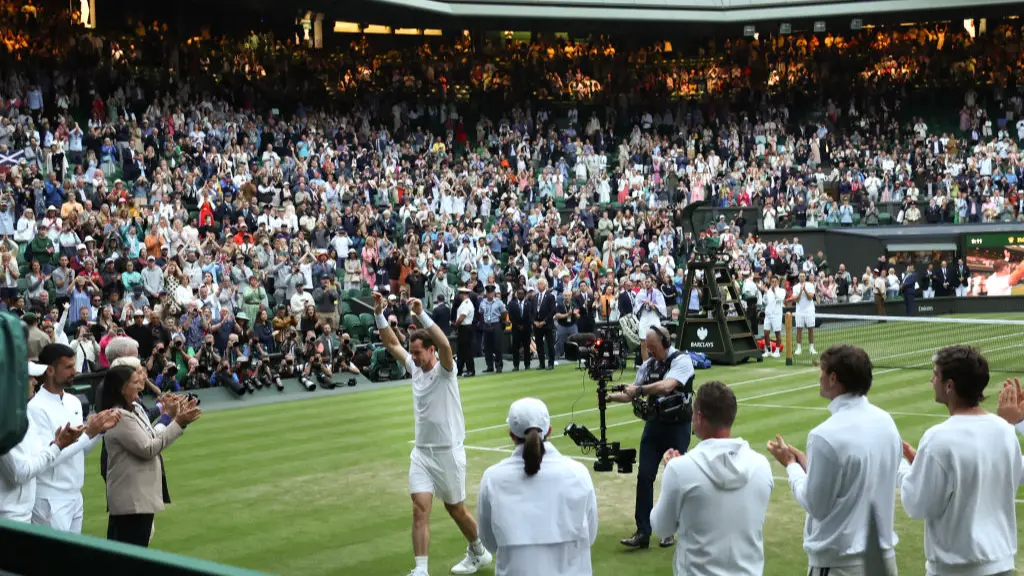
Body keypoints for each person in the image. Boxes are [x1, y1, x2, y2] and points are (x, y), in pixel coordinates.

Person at [371, 292, 492, 576]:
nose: (413, 357)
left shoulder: (446, 370)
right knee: (419, 508)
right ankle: (421, 569)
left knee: (455, 509)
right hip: (422, 454)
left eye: (417, 353)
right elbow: (391, 343)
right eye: (411, 353)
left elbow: (446, 344)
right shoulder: (414, 368)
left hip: (449, 453)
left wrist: (421, 314)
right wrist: (378, 313)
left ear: (431, 350)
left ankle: (479, 551)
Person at [767, 344, 901, 576]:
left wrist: (791, 465)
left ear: (833, 378)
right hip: (884, 561)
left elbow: (815, 505)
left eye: (822, 371)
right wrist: (808, 464)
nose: (819, 377)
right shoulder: (886, 422)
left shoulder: (824, 435)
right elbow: (855, 476)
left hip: (841, 565)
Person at [898, 346, 1021, 576]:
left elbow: (915, 504)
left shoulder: (938, 438)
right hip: (1001, 566)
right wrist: (923, 468)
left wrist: (900, 467)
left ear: (949, 385)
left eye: (935, 374)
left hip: (955, 569)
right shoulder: (1005, 430)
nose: (932, 380)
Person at [652, 381, 773, 575]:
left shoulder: (679, 469)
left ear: (699, 417)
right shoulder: (761, 465)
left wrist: (669, 473)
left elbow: (662, 528)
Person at [476, 398, 598, 575]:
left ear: (511, 435)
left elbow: (489, 543)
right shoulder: (579, 473)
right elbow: (590, 535)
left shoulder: (492, 478)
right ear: (549, 431)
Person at [605, 325, 695, 549]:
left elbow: (667, 386)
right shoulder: (648, 365)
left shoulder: (681, 361)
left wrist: (640, 390)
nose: (650, 351)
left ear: (665, 343)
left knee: (674, 479)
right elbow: (632, 392)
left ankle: (669, 530)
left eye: (653, 347)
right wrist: (609, 396)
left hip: (677, 427)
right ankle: (642, 532)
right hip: (654, 426)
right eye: (647, 347)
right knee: (644, 476)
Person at [99, 366, 201, 546]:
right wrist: (178, 422)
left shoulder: (136, 409)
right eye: (135, 381)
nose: (141, 384)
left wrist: (172, 417)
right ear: (122, 388)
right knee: (128, 555)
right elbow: (148, 448)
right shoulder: (119, 416)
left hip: (139, 498)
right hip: (130, 501)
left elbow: (152, 436)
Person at [27, 343, 121, 533]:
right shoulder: (36, 408)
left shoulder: (74, 402)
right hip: (50, 498)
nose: (75, 371)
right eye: (68, 367)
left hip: (75, 495)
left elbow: (80, 451)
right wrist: (89, 433)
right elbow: (47, 458)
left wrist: (99, 431)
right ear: (50, 370)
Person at [1, 362, 85, 522]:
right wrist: (57, 446)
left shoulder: (23, 414)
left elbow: (39, 455)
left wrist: (57, 444)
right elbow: (19, 473)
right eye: (29, 377)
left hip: (23, 513)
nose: (35, 381)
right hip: (8, 518)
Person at [634, 277, 667, 362]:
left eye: (648, 282)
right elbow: (636, 308)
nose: (647, 283)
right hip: (644, 317)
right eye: (645, 282)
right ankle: (645, 363)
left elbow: (662, 307)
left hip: (654, 317)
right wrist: (643, 304)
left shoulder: (658, 293)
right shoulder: (641, 293)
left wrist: (653, 306)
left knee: (656, 340)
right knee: (643, 342)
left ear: (652, 282)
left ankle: (658, 361)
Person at [479, 285, 506, 374]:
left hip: (496, 323)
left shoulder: (499, 302)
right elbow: (481, 312)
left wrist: (501, 322)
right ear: (486, 293)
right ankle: (489, 366)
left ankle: (499, 366)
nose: (490, 294)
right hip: (487, 324)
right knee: (487, 347)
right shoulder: (483, 302)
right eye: (488, 292)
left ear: (494, 293)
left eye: (491, 292)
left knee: (497, 346)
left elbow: (504, 313)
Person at [789, 272, 816, 355]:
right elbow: (796, 300)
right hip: (799, 311)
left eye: (803, 276)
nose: (802, 277)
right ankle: (798, 349)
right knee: (799, 330)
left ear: (805, 277)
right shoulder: (795, 287)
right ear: (798, 277)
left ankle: (811, 348)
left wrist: (805, 290)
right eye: (800, 276)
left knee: (810, 329)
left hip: (809, 311)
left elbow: (810, 297)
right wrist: (801, 291)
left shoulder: (810, 285)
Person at [506, 286, 533, 371]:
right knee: (515, 348)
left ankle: (527, 364)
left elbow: (530, 316)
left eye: (522, 294)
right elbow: (511, 316)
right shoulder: (512, 304)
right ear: (517, 295)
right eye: (519, 294)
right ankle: (516, 365)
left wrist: (524, 326)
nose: (520, 295)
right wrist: (517, 325)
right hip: (516, 329)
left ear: (524, 295)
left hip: (526, 329)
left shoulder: (529, 304)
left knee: (526, 347)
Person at [533, 279, 556, 370]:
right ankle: (541, 363)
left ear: (545, 285)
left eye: (541, 284)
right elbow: (532, 311)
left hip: (547, 324)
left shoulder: (550, 296)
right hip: (537, 324)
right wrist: (534, 321)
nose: (539, 286)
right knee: (539, 345)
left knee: (550, 344)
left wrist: (544, 321)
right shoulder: (535, 297)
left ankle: (551, 363)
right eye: (538, 284)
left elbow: (553, 311)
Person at [454, 288, 477, 377]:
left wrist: (455, 325)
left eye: (460, 294)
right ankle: (459, 370)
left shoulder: (467, 303)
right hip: (463, 328)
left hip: (465, 328)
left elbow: (462, 317)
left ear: (463, 294)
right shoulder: (464, 303)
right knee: (461, 351)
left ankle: (471, 370)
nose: (459, 296)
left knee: (467, 350)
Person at [761, 276, 786, 357]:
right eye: (772, 281)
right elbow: (764, 301)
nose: (774, 283)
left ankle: (777, 351)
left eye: (775, 281)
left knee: (777, 333)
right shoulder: (768, 291)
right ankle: (768, 350)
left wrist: (774, 292)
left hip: (777, 315)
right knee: (766, 333)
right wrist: (765, 292)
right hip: (768, 315)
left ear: (778, 282)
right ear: (770, 282)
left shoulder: (782, 290)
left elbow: (780, 299)